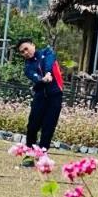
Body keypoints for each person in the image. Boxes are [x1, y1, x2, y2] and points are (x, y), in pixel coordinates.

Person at [17, 38, 63, 166]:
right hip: (40, 97)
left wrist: (48, 73)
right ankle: (29, 155)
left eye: (26, 48)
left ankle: (43, 156)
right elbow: (35, 77)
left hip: (55, 96)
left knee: (48, 127)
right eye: (22, 52)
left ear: (33, 45)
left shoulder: (47, 52)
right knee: (32, 126)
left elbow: (50, 62)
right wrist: (42, 80)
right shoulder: (27, 67)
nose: (25, 53)